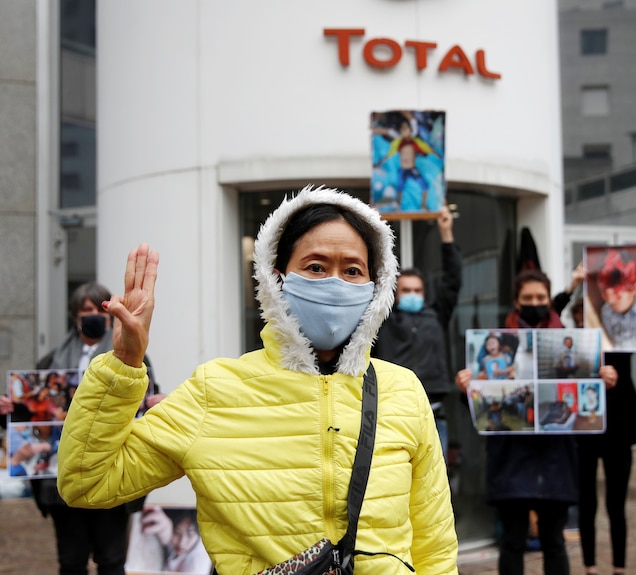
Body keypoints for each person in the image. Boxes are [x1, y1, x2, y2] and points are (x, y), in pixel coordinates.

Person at [57, 186, 458, 575]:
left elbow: (433, 543)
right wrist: (124, 364)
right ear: (277, 278)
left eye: (353, 270)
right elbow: (87, 481)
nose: (335, 283)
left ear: (376, 286)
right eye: (315, 266)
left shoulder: (403, 390)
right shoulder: (217, 389)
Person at [455, 268, 618, 575]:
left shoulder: (574, 344)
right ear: (516, 302)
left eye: (540, 297)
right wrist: (467, 389)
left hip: (557, 458)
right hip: (511, 458)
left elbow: (586, 403)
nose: (535, 302)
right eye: (528, 297)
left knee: (554, 541)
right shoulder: (497, 345)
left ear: (549, 299)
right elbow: (482, 407)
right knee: (513, 541)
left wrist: (603, 382)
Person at [30, 282, 162, 575]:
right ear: (75, 315)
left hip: (112, 469)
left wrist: (155, 404)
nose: (91, 315)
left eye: (98, 309)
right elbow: (30, 414)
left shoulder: (133, 354)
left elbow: (145, 399)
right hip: (60, 477)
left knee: (112, 560)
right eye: (85, 310)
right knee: (71, 561)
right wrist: (10, 411)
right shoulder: (50, 361)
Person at [553, 260, 636, 575]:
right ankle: (589, 567)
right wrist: (572, 285)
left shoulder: (621, 337)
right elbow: (548, 317)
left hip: (619, 427)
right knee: (586, 502)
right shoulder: (570, 345)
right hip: (584, 426)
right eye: (579, 315)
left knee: (617, 504)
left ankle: (619, 568)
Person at [372, 205, 462, 454]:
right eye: (406, 290)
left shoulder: (436, 315)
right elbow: (374, 276)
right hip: (391, 414)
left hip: (433, 413)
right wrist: (373, 229)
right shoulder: (383, 319)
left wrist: (446, 232)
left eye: (417, 290)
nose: (412, 294)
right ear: (395, 294)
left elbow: (453, 280)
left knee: (434, 485)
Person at [138, 505, 212, 574]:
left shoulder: (198, 564)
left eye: (190, 534)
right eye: (177, 532)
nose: (182, 542)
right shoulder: (166, 529)